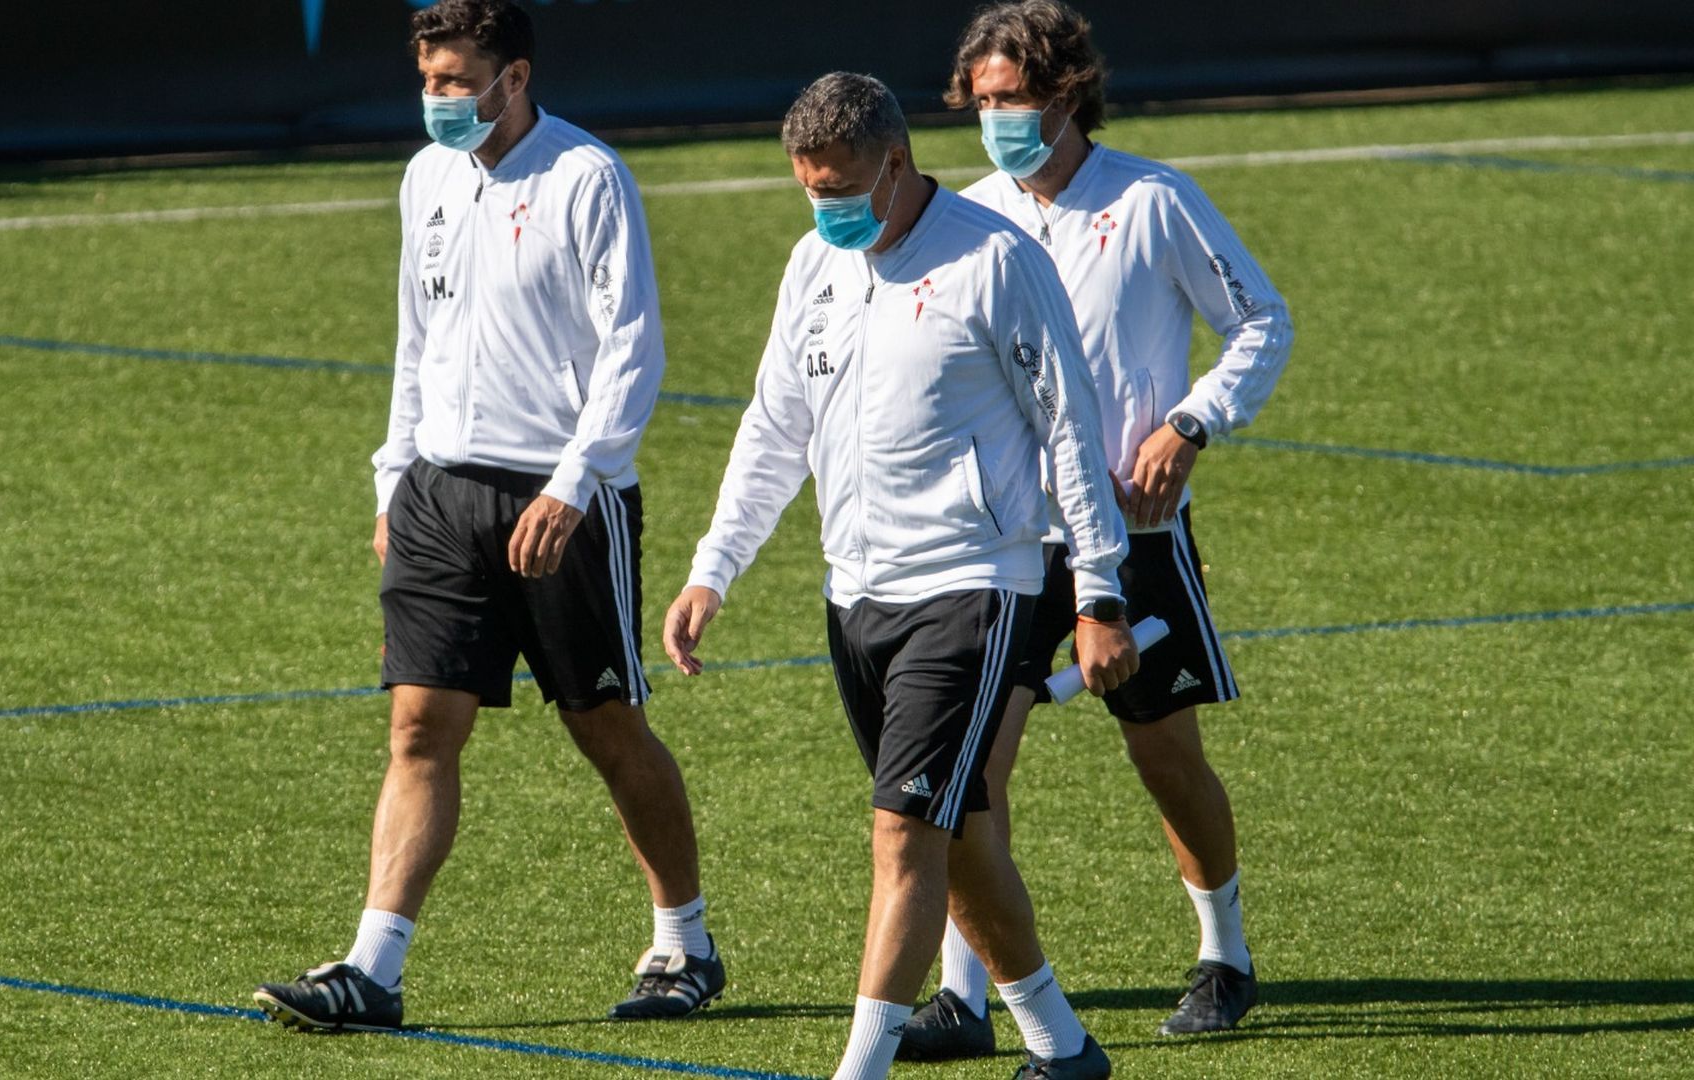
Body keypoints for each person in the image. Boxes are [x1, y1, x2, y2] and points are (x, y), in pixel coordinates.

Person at [254, 0, 724, 1032]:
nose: (439, 100)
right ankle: (373, 971)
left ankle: (685, 943)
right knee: (419, 725)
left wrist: (574, 483)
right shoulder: (426, 176)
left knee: (605, 725)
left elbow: (633, 349)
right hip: (438, 496)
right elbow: (416, 340)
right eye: (429, 80)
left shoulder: (587, 177)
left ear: (515, 78)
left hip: (560, 501)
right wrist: (395, 478)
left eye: (458, 82)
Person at [665, 72, 1135, 1080]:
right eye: (809, 191)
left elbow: (1069, 426)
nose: (825, 209)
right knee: (955, 833)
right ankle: (1063, 1046)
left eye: (840, 189)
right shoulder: (814, 265)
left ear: (897, 162)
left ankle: (861, 1068)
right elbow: (775, 427)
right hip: (855, 596)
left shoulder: (994, 261)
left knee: (903, 834)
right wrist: (714, 567)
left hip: (973, 584)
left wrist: (1098, 592)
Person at [898, 1, 1295, 1058]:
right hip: (1006, 547)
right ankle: (963, 999)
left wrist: (1191, 423)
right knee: (971, 775)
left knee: (1165, 758)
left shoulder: (1154, 200)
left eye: (1012, 98)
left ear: (1066, 93)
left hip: (1133, 536)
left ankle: (1226, 956)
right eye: (981, 101)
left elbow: (1262, 319)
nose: (994, 119)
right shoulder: (970, 218)